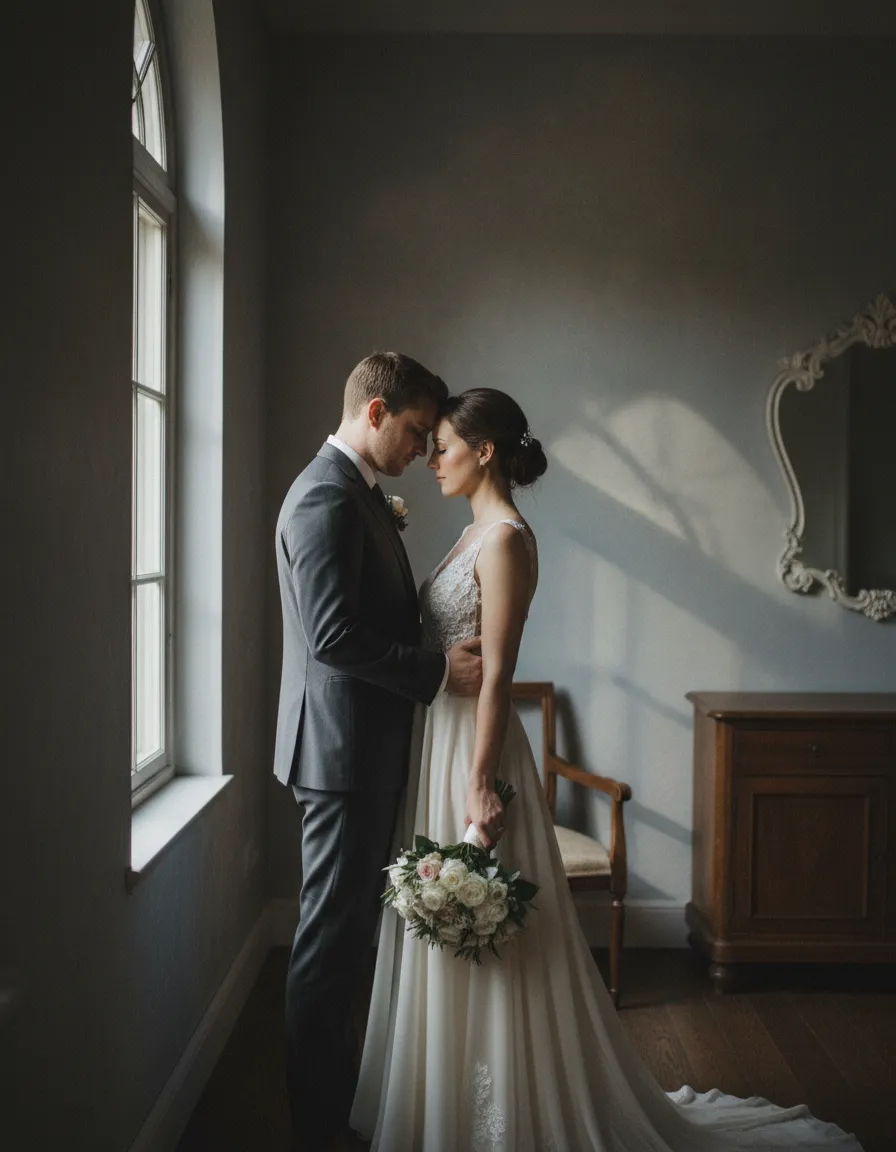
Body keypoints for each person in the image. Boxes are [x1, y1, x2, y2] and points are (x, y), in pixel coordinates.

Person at [350, 387, 863, 1151]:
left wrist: (480, 782)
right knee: (441, 927)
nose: (431, 460)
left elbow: (497, 676)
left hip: (474, 751)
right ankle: (444, 1112)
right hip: (439, 740)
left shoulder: (507, 542)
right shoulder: (469, 535)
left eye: (444, 447)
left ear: (484, 452)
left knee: (491, 935)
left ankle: (512, 1116)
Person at [273, 353, 484, 1151]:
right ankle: (317, 1131)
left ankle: (339, 1109)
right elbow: (331, 638)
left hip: (358, 750)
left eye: (433, 437)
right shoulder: (325, 498)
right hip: (339, 757)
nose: (424, 451)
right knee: (328, 948)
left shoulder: (356, 495)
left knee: (346, 939)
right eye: (416, 431)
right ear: (374, 412)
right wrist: (435, 671)